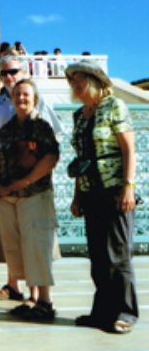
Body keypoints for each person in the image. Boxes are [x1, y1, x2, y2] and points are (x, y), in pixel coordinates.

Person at [66, 61, 138, 334]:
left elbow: (128, 149)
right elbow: (81, 157)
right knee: (97, 255)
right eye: (72, 81)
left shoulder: (114, 105)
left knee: (118, 254)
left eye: (80, 79)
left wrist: (128, 186)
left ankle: (125, 312)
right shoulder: (80, 115)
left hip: (114, 188)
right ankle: (103, 312)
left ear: (95, 81)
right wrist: (77, 195)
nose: (75, 85)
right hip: (89, 190)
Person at [0, 54, 62, 303]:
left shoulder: (39, 121)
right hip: (7, 193)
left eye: (14, 72)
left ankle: (42, 299)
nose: (10, 78)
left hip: (33, 192)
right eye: (4, 74)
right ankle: (21, 291)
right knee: (15, 244)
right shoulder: (1, 114)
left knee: (36, 244)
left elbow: (51, 153)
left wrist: (25, 181)